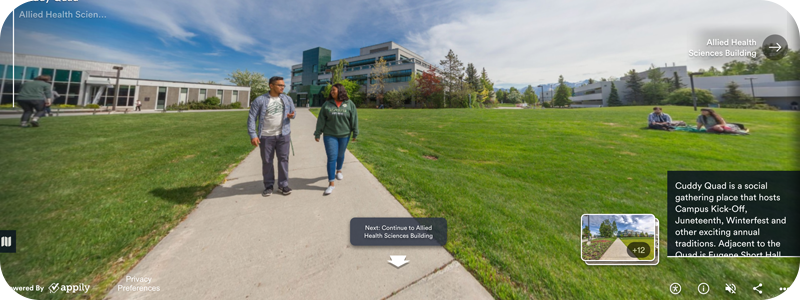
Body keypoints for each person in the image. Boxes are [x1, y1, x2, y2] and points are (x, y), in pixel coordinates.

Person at [247, 76, 297, 197]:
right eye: (280, 85)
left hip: (283, 135)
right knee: (267, 161)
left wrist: (291, 116)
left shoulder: (287, 99)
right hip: (266, 136)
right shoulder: (260, 100)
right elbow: (252, 118)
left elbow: (294, 113)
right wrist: (253, 134)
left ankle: (283, 185)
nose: (282, 87)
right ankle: (268, 186)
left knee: (283, 160)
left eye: (283, 85)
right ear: (271, 85)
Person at [314, 83, 359, 195]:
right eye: (331, 90)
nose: (331, 92)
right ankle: (331, 184)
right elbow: (321, 120)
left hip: (345, 135)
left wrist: (355, 133)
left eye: (334, 90)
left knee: (340, 154)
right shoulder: (327, 104)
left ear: (340, 91)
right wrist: (317, 133)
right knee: (331, 157)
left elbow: (354, 119)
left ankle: (339, 170)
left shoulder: (349, 104)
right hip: (330, 134)